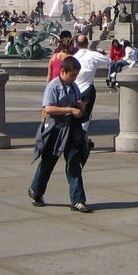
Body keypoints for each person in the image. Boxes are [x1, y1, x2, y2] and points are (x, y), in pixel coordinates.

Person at [28, 56, 92, 213]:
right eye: (72, 75)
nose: (74, 78)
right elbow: (48, 108)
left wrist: (79, 105)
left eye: (76, 75)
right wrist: (69, 110)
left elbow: (77, 103)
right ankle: (36, 191)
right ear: (63, 71)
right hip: (55, 130)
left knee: (74, 164)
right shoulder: (53, 86)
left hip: (71, 130)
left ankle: (78, 200)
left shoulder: (74, 86)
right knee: (48, 163)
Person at [71, 34, 110, 136]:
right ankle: (82, 137)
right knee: (86, 116)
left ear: (76, 44)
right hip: (88, 88)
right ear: (87, 44)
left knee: (75, 114)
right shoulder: (93, 55)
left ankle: (76, 136)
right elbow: (108, 60)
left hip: (75, 89)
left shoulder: (74, 57)